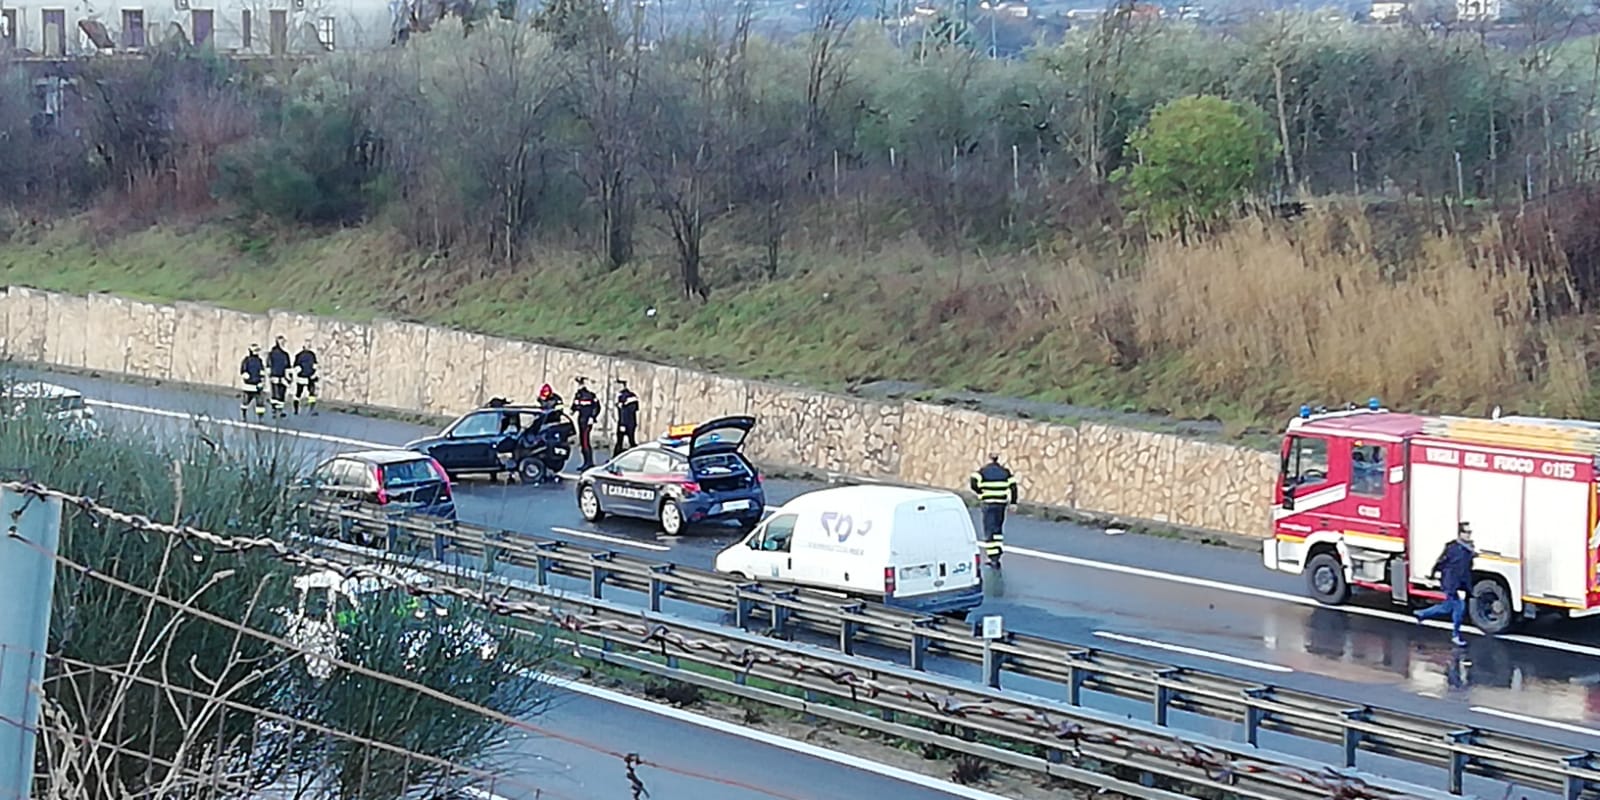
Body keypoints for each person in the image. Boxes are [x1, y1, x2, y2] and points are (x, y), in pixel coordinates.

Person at [1415, 522, 1477, 646]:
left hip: (1459, 583)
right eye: (1466, 532)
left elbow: (1466, 568)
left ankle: (1422, 613)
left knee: (1447, 607)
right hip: (1451, 583)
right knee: (1459, 608)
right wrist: (1432, 576)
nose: (1469, 535)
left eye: (1470, 532)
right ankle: (1455, 635)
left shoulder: (1469, 548)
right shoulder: (1453, 547)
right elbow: (1442, 562)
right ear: (1460, 534)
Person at [969, 453, 1019, 568]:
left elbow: (973, 481)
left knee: (989, 530)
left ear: (989, 459)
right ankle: (997, 554)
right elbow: (1013, 487)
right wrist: (1013, 502)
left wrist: (980, 492)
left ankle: (993, 558)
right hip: (1001, 504)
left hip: (988, 504)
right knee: (997, 529)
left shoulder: (983, 471)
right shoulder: (1005, 472)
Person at [571, 376, 600, 470]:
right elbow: (575, 406)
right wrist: (572, 410)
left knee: (585, 442)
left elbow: (597, 407)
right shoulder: (578, 395)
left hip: (587, 421)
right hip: (581, 420)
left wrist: (592, 417)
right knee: (583, 442)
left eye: (579, 384)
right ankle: (585, 462)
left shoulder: (589, 395)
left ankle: (589, 462)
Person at [239, 344, 266, 421]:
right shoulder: (246, 360)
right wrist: (247, 377)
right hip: (248, 385)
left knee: (260, 403)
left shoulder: (259, 361)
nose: (257, 352)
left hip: (257, 385)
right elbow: (243, 371)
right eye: (255, 351)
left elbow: (262, 372)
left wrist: (262, 380)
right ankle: (243, 414)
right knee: (245, 401)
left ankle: (260, 417)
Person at [267, 336, 291, 419]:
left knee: (277, 393)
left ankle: (276, 410)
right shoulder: (281, 354)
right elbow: (269, 365)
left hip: (279, 376)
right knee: (280, 394)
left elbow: (287, 367)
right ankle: (277, 411)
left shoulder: (282, 354)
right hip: (278, 376)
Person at [293, 340, 319, 416]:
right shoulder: (300, 355)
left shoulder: (311, 355)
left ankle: (311, 409)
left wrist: (314, 373)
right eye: (308, 344)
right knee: (299, 393)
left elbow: (315, 365)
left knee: (311, 394)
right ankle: (296, 409)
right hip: (303, 377)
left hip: (309, 377)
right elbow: (296, 366)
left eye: (309, 344)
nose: (309, 346)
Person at [615, 379, 640, 452]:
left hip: (627, 423)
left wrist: (623, 424)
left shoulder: (625, 397)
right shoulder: (626, 396)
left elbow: (625, 412)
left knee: (624, 442)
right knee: (626, 441)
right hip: (629, 422)